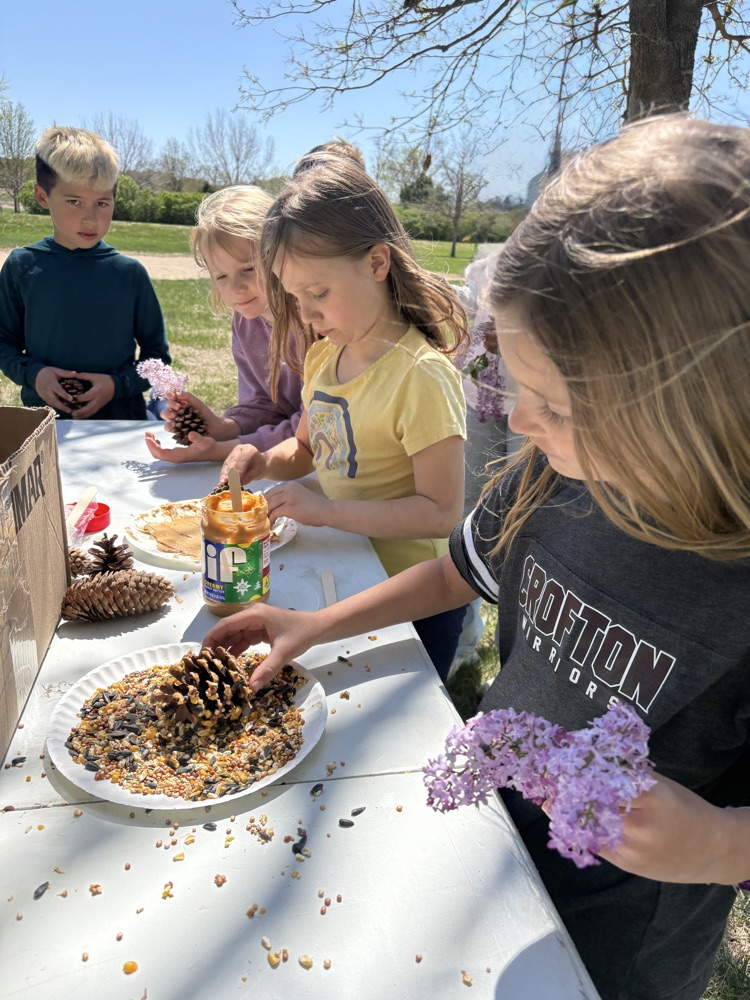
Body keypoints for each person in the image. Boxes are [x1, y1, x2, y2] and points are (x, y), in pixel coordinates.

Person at [204, 115, 750, 1000]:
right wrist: (317, 623)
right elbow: (459, 569)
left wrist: (726, 845)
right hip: (495, 846)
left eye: (559, 405)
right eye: (518, 389)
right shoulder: (550, 478)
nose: (520, 427)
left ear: (693, 403)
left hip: (628, 933)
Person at [220, 155, 469, 680]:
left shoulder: (420, 376)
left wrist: (326, 511)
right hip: (346, 571)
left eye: (319, 293)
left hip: (413, 596)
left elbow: (440, 512)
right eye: (294, 297)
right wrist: (262, 461)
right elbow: (308, 449)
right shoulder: (322, 357)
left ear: (377, 263)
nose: (306, 315)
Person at [0, 126, 170, 419]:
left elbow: (158, 360)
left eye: (102, 203)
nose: (90, 218)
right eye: (73, 201)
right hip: (45, 426)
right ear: (42, 197)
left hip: (121, 426)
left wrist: (117, 385)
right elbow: (4, 343)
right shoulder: (21, 266)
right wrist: (34, 375)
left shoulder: (129, 274)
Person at [144, 185, 311, 464]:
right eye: (221, 276)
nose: (236, 288)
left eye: (248, 269)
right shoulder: (246, 323)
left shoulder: (316, 321)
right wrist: (225, 428)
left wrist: (231, 448)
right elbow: (264, 404)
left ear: (280, 256)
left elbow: (321, 424)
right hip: (285, 466)